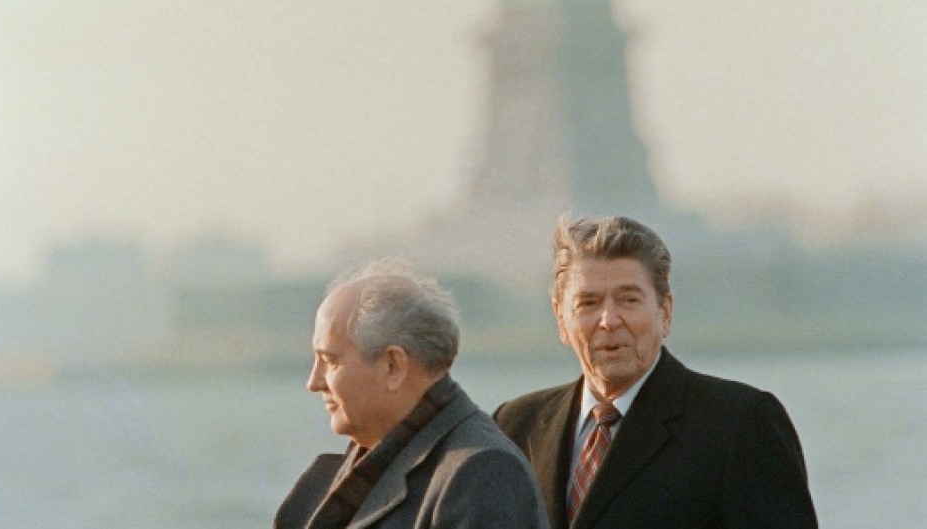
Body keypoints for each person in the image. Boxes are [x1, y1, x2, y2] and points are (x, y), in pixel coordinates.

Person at [493, 214, 817, 529]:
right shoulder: (515, 425)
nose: (609, 320)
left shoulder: (740, 424)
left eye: (629, 300)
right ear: (561, 319)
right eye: (588, 303)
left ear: (665, 312)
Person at [274, 257, 549, 529]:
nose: (314, 382)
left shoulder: (483, 474)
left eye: (331, 361)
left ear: (393, 366)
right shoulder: (352, 470)